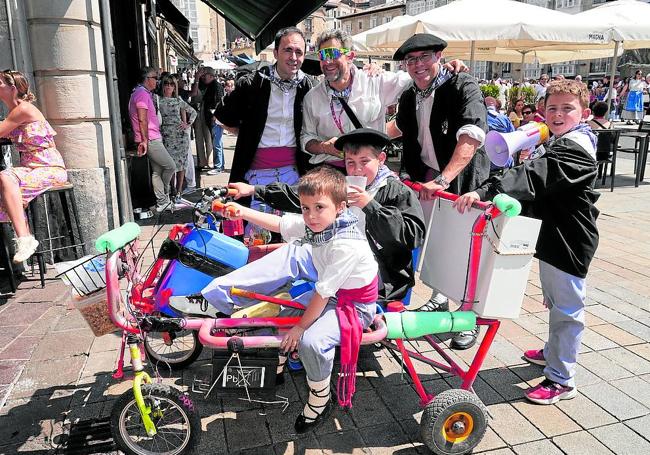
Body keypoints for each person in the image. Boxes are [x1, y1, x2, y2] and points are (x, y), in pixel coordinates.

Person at [178, 166, 380, 433]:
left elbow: (321, 295)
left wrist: (300, 327)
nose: (310, 215)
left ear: (340, 207)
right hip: (330, 286)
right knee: (287, 282)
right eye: (306, 208)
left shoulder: (345, 244)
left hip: (352, 304)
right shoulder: (320, 225)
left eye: (319, 207)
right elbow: (281, 223)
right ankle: (218, 302)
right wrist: (239, 210)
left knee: (311, 341)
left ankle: (321, 399)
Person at [454, 79, 599, 405]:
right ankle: (552, 352)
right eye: (552, 108)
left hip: (570, 242)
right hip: (554, 238)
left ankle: (562, 379)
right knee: (554, 300)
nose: (558, 114)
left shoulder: (576, 149)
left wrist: (486, 190)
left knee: (567, 310)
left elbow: (534, 176)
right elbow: (537, 178)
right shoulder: (561, 142)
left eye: (567, 109)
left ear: (585, 113)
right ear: (542, 111)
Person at [229, 128, 426, 304]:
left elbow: (413, 235)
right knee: (291, 251)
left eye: (365, 162)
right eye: (350, 163)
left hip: (379, 276)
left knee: (297, 254)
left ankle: (230, 296)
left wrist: (369, 205)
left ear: (381, 159)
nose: (357, 170)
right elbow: (299, 195)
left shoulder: (397, 191)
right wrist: (253, 190)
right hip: (337, 258)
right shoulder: (343, 185)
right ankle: (230, 294)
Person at [392, 33, 490, 350]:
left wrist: (444, 179)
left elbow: (471, 137)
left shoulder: (462, 85)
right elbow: (403, 134)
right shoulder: (410, 96)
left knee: (466, 253)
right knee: (435, 245)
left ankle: (468, 319)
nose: (418, 65)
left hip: (461, 182)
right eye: (411, 60)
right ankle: (438, 301)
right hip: (428, 179)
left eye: (424, 57)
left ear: (439, 57)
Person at [214, 27, 314, 225]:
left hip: (293, 175)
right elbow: (221, 116)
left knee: (291, 233)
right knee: (257, 235)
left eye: (299, 52)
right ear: (276, 53)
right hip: (254, 176)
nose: (294, 57)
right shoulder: (252, 84)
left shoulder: (308, 86)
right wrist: (246, 134)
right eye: (288, 50)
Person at [0, 70, 68, 262]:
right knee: (7, 181)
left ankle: (25, 238)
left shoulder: (22, 110)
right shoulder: (15, 112)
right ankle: (25, 238)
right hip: (31, 168)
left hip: (50, 168)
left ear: (12, 89)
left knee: (6, 179)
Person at [128, 66, 177, 213]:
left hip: (151, 137)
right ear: (147, 79)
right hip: (151, 139)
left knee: (157, 171)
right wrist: (144, 140)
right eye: (155, 78)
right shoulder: (141, 94)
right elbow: (142, 119)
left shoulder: (140, 93)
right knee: (170, 166)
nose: (158, 81)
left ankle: (162, 201)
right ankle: (165, 196)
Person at [158, 74, 197, 201]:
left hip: (180, 137)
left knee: (181, 165)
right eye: (166, 83)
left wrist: (187, 124)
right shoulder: (158, 100)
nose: (169, 86)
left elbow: (193, 112)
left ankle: (179, 190)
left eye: (171, 84)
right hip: (166, 136)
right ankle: (172, 189)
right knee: (170, 165)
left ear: (175, 87)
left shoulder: (178, 100)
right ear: (162, 85)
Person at [200, 68, 225, 175]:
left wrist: (215, 115)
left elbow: (219, 101)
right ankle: (219, 165)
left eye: (205, 75)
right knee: (217, 142)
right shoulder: (210, 86)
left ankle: (218, 166)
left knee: (217, 143)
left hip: (215, 118)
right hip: (212, 118)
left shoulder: (216, 86)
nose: (203, 77)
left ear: (211, 76)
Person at [189, 67, 214, 171]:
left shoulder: (213, 85)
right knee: (198, 138)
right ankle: (201, 162)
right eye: (202, 74)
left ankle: (210, 162)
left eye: (205, 74)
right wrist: (196, 79)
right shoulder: (197, 84)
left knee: (208, 139)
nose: (203, 76)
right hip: (198, 112)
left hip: (207, 113)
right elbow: (194, 95)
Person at [485, 96, 515, 172]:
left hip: (485, 166)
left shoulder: (479, 118)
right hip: (505, 165)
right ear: (495, 106)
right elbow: (513, 137)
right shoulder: (504, 119)